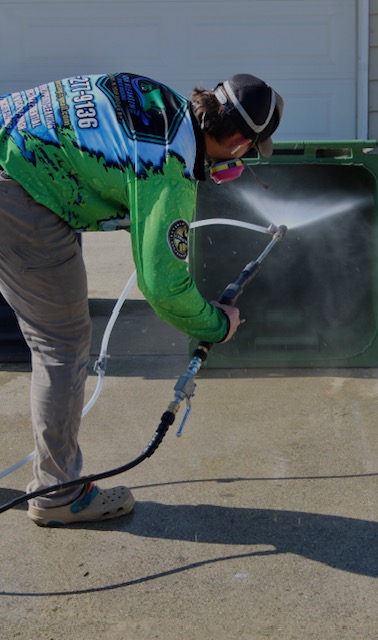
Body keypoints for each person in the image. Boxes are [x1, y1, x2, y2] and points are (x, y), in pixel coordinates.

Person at [0, 72, 283, 526]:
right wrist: (216, 323)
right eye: (252, 147)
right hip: (20, 189)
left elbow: (105, 153)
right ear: (236, 142)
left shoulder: (162, 102)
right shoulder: (171, 167)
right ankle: (58, 494)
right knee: (61, 343)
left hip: (12, 144)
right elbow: (164, 287)